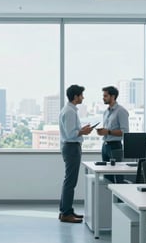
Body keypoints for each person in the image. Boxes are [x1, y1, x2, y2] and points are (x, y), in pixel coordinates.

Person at [59, 84, 93, 223]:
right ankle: (66, 213)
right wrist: (83, 131)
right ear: (75, 96)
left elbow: (72, 131)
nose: (83, 97)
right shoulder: (70, 112)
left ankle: (66, 211)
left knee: (69, 181)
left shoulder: (70, 110)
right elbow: (70, 134)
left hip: (71, 147)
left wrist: (81, 130)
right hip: (72, 147)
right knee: (70, 182)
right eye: (81, 95)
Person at [96, 86, 129, 183]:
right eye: (103, 96)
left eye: (105, 96)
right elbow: (107, 130)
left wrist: (108, 132)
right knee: (107, 177)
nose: (103, 98)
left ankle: (119, 198)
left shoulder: (121, 111)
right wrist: (102, 132)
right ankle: (109, 198)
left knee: (118, 176)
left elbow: (125, 132)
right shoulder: (106, 112)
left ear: (113, 96)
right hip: (105, 146)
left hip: (115, 147)